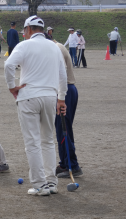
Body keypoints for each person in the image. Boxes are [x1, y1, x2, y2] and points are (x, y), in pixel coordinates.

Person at [4, 15, 67, 196]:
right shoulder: (55, 47)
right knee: (47, 140)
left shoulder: (24, 45)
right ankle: (51, 183)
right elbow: (62, 75)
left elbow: (9, 65)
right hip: (50, 96)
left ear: (28, 29)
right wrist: (61, 98)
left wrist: (11, 87)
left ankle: (39, 185)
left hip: (29, 96)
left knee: (32, 142)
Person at [53, 40, 83, 179]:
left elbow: (62, 73)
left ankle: (73, 166)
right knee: (61, 129)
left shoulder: (56, 48)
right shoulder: (54, 46)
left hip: (65, 92)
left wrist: (61, 97)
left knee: (64, 130)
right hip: (64, 91)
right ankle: (64, 163)